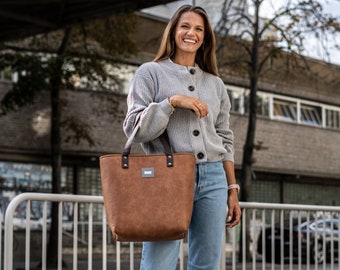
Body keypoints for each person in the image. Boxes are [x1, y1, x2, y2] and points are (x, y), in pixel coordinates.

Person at [123, 4, 241, 270]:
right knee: (158, 263)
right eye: (185, 26)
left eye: (199, 29)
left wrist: (232, 189)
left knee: (206, 264)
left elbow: (225, 137)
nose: (192, 33)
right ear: (173, 31)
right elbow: (133, 128)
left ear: (205, 37)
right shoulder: (150, 73)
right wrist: (171, 102)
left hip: (214, 178)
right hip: (168, 175)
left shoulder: (215, 84)